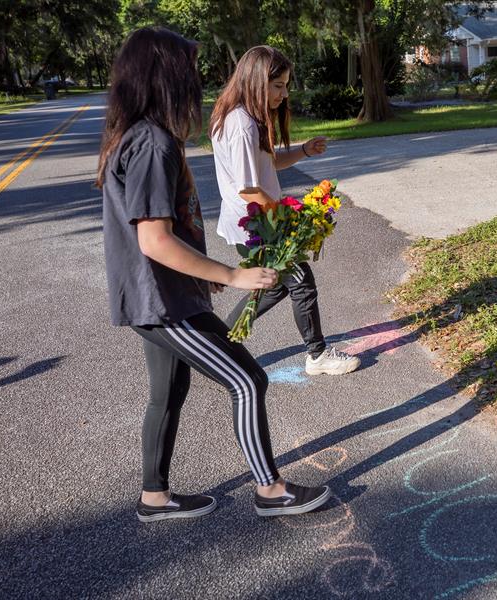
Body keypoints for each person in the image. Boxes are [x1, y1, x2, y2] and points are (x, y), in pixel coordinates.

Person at [97, 27, 331, 522]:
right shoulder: (152, 143)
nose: (196, 80)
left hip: (158, 296)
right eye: (189, 69)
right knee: (247, 379)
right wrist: (232, 275)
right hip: (164, 301)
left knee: (169, 391)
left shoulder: (139, 136)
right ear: (165, 75)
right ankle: (270, 491)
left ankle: (154, 498)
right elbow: (153, 240)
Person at [210, 45, 360, 376]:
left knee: (275, 285)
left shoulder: (245, 117)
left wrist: (303, 151)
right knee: (301, 282)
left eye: (286, 86)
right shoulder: (241, 124)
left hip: (259, 220)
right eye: (278, 86)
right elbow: (248, 188)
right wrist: (290, 218)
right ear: (256, 82)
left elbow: (268, 163)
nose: (284, 94)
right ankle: (317, 355)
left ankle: (218, 342)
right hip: (257, 224)